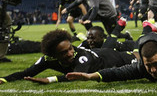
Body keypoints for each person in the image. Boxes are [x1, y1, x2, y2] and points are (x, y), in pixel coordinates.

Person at [0, 29, 137, 84]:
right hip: (103, 53)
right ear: (53, 55)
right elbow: (26, 73)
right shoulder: (48, 59)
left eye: (70, 48)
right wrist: (4, 79)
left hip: (116, 58)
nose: (70, 53)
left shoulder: (82, 56)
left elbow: (77, 75)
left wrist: (50, 80)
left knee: (139, 56)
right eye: (64, 53)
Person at [63, 0, 131, 41]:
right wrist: (67, 9)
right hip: (101, 13)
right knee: (84, 19)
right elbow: (76, 2)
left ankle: (127, 35)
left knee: (113, 34)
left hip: (109, 15)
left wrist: (90, 19)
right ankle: (97, 36)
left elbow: (95, 7)